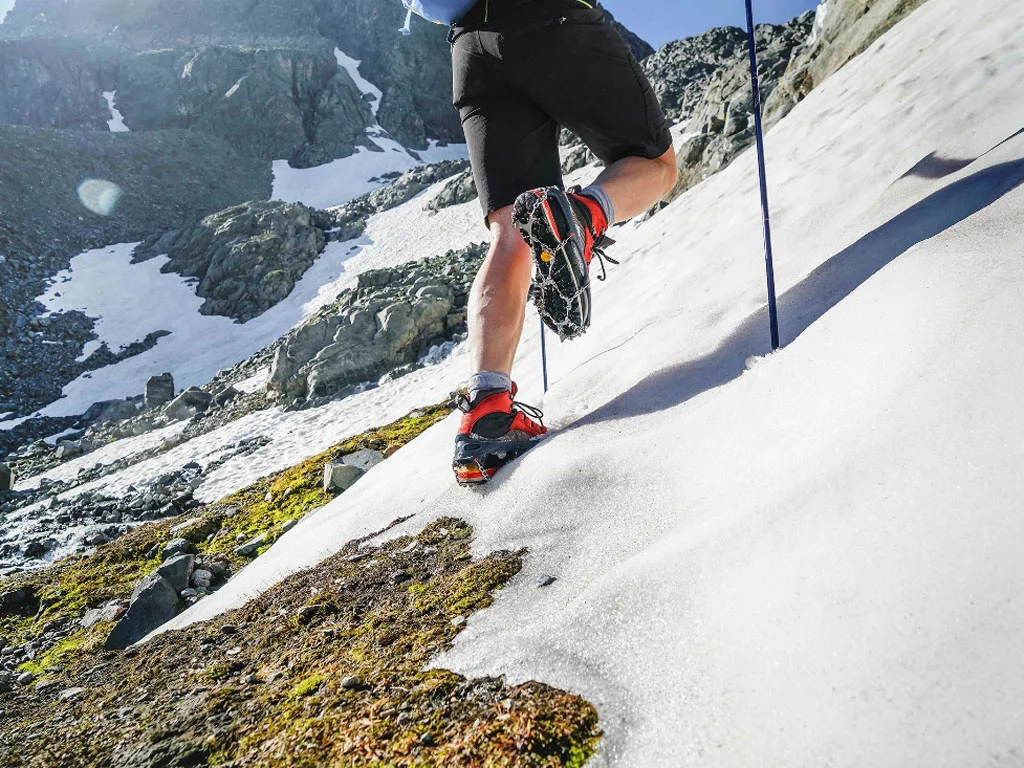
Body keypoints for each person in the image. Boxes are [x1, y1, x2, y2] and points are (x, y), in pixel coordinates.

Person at [448, 0, 678, 484]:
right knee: (656, 164)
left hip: (469, 44)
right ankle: (583, 217)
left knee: (512, 229)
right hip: (547, 16)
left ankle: (487, 412)